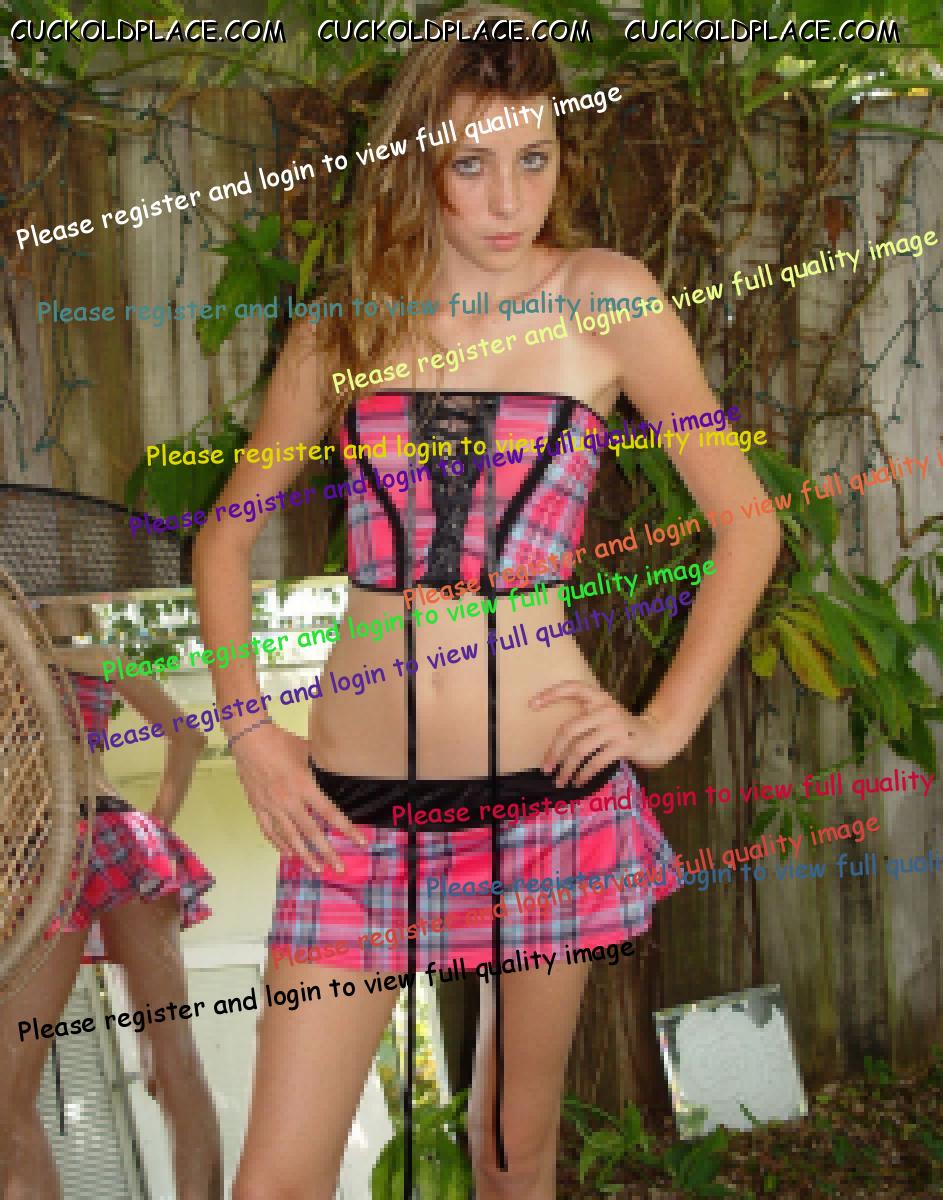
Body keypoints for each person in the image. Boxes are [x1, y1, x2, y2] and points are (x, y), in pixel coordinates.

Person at [193, 7, 782, 1199]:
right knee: (277, 1178)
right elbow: (225, 536)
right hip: (350, 820)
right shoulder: (347, 323)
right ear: (419, 164)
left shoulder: (605, 298)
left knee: (513, 1149)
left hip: (544, 803)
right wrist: (249, 731)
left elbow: (747, 522)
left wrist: (661, 724)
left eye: (533, 158)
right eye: (470, 164)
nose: (508, 201)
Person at [0, 601, 222, 1200]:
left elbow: (189, 736)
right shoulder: (90, 661)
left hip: (75, 841)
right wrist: (153, 832)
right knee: (165, 1061)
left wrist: (153, 831)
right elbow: (187, 737)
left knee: (163, 1063)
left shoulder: (51, 662)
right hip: (80, 844)